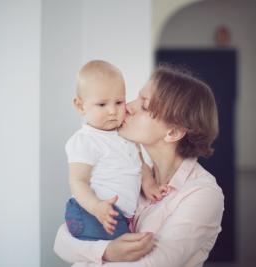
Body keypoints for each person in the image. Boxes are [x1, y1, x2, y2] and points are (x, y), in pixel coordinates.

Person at [54, 65, 224, 266]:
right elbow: (61, 243)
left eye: (144, 105)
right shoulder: (131, 174)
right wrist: (107, 251)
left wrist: (94, 254)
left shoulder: (202, 193)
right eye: (135, 98)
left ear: (173, 132)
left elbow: (153, 263)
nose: (126, 107)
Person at [64, 60, 166, 241]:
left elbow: (139, 164)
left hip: (118, 215)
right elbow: (77, 181)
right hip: (91, 212)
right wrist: (96, 207)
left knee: (129, 249)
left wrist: (149, 184)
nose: (113, 111)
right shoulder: (86, 140)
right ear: (80, 106)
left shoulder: (125, 134)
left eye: (119, 102)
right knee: (127, 251)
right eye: (102, 105)